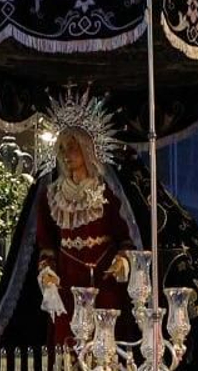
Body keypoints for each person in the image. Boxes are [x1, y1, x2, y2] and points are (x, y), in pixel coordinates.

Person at [33, 96, 134, 348]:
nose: (66, 155)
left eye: (72, 147)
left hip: (105, 283)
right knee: (68, 349)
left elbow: (126, 237)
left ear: (87, 149)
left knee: (107, 349)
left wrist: (122, 260)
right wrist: (47, 273)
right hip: (68, 286)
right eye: (62, 148)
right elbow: (46, 246)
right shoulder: (51, 196)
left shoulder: (106, 192)